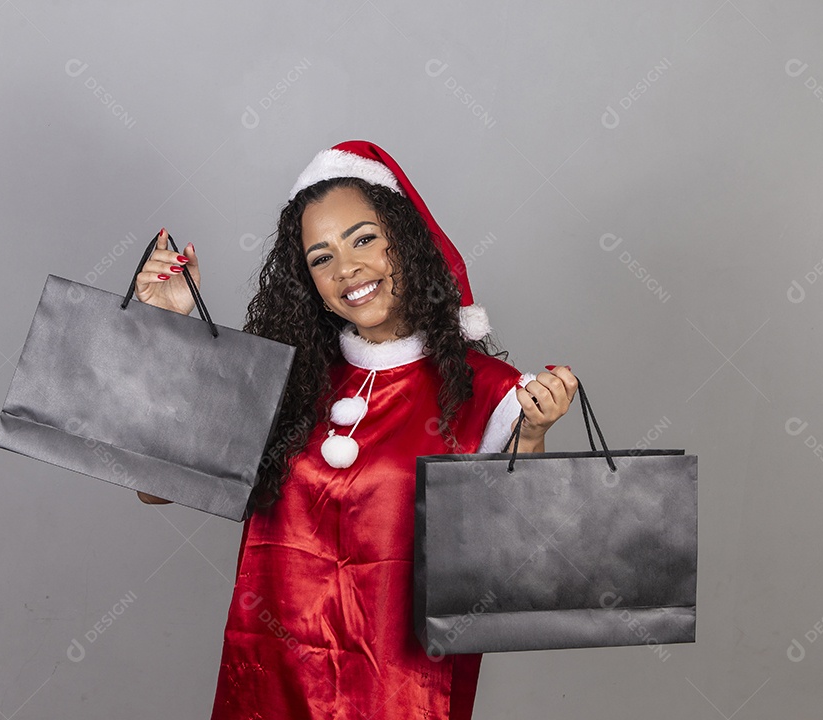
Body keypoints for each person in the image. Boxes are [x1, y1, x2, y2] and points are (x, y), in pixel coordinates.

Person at [133, 141, 577, 719]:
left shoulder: (487, 392)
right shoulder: (288, 380)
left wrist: (534, 437)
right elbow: (155, 485)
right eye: (321, 258)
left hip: (403, 698)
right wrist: (166, 328)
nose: (347, 270)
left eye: (363, 239)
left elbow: (512, 563)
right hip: (270, 691)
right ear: (305, 279)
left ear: (406, 240)